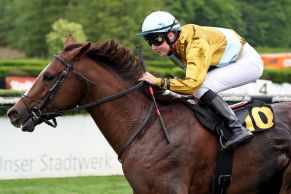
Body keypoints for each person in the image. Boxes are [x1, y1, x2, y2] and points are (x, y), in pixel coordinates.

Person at [137, 11, 264, 149]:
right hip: (229, 59)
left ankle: (237, 129)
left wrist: (159, 82)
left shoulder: (195, 45)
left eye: (157, 40)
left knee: (201, 87)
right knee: (198, 90)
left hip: (247, 62)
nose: (153, 47)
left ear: (171, 34)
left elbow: (192, 85)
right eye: (149, 41)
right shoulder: (176, 46)